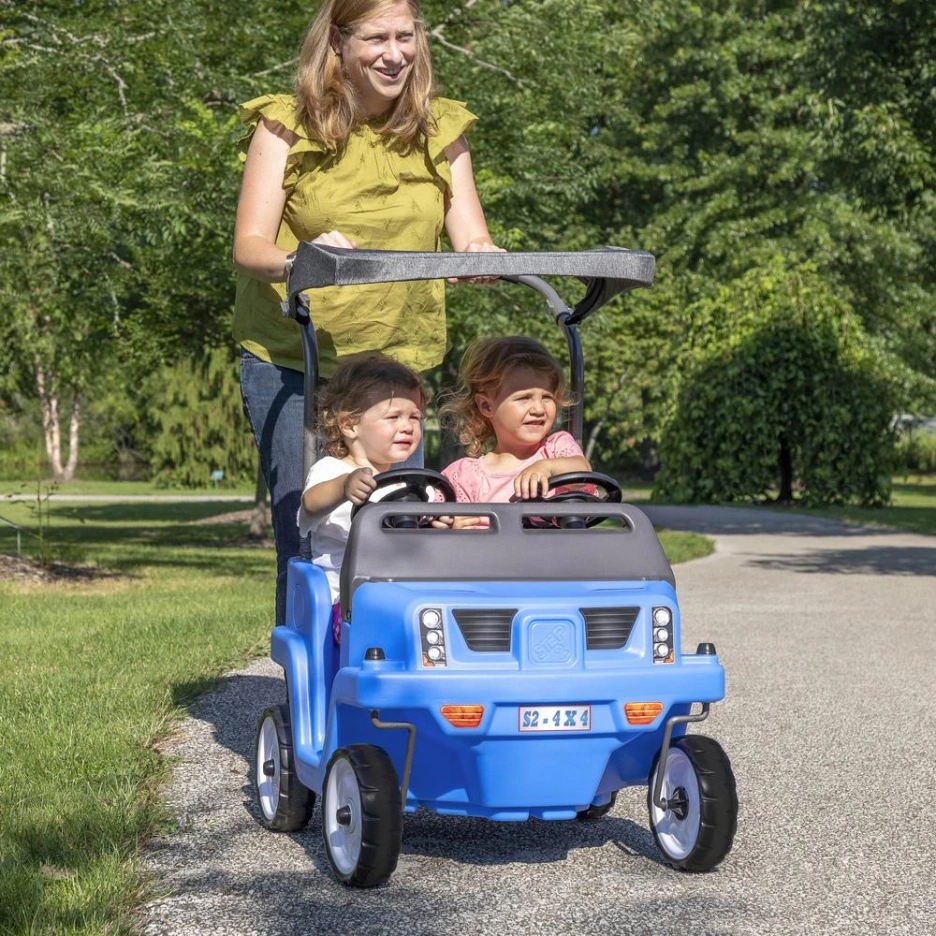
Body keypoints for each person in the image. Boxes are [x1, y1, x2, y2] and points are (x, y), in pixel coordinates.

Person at [232, 0, 501, 624]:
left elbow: (471, 237)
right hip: (293, 358)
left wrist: (482, 254)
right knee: (308, 522)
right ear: (337, 43)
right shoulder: (284, 126)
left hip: (390, 368)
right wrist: (301, 258)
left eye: (405, 36)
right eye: (377, 37)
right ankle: (313, 696)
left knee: (399, 524)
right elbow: (249, 247)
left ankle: (391, 669)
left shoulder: (441, 129)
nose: (395, 53)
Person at [297, 353, 426, 643]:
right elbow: (310, 504)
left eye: (415, 417)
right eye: (393, 417)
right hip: (346, 601)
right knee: (383, 619)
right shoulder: (333, 469)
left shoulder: (412, 484)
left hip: (404, 595)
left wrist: (444, 522)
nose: (408, 426)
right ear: (350, 425)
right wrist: (343, 487)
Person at [437, 337, 591, 526]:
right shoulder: (465, 476)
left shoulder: (556, 448)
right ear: (486, 406)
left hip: (556, 553)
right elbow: (435, 521)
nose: (538, 409)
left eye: (547, 397)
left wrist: (547, 467)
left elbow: (582, 474)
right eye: (524, 398)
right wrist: (450, 525)